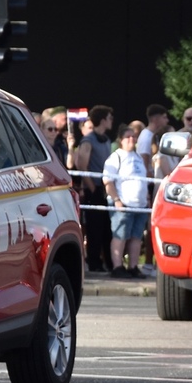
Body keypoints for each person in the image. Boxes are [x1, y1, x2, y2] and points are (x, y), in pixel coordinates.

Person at [102, 127, 149, 278]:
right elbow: (108, 181)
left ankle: (133, 267)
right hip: (123, 203)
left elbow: (143, 179)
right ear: (120, 140)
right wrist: (116, 200)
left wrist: (147, 198)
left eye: (133, 136)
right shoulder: (116, 157)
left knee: (136, 237)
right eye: (128, 137)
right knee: (120, 236)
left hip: (140, 205)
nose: (131, 139)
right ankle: (117, 267)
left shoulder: (138, 157)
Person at [73, 104, 114, 274]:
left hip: (105, 188)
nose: (112, 120)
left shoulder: (106, 139)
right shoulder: (88, 140)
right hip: (94, 189)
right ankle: (94, 262)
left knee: (106, 228)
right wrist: (92, 188)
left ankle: (109, 262)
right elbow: (82, 165)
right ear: (103, 120)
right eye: (109, 118)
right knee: (94, 228)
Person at [137, 104, 169, 175]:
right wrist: (151, 178)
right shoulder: (146, 137)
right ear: (155, 119)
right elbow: (144, 164)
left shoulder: (154, 135)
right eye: (164, 117)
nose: (167, 120)